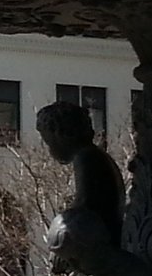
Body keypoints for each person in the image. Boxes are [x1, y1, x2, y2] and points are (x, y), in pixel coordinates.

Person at [37, 100, 124, 247]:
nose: (50, 150)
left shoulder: (86, 157)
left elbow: (84, 207)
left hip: (102, 244)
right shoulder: (94, 155)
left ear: (60, 134)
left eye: (49, 142)